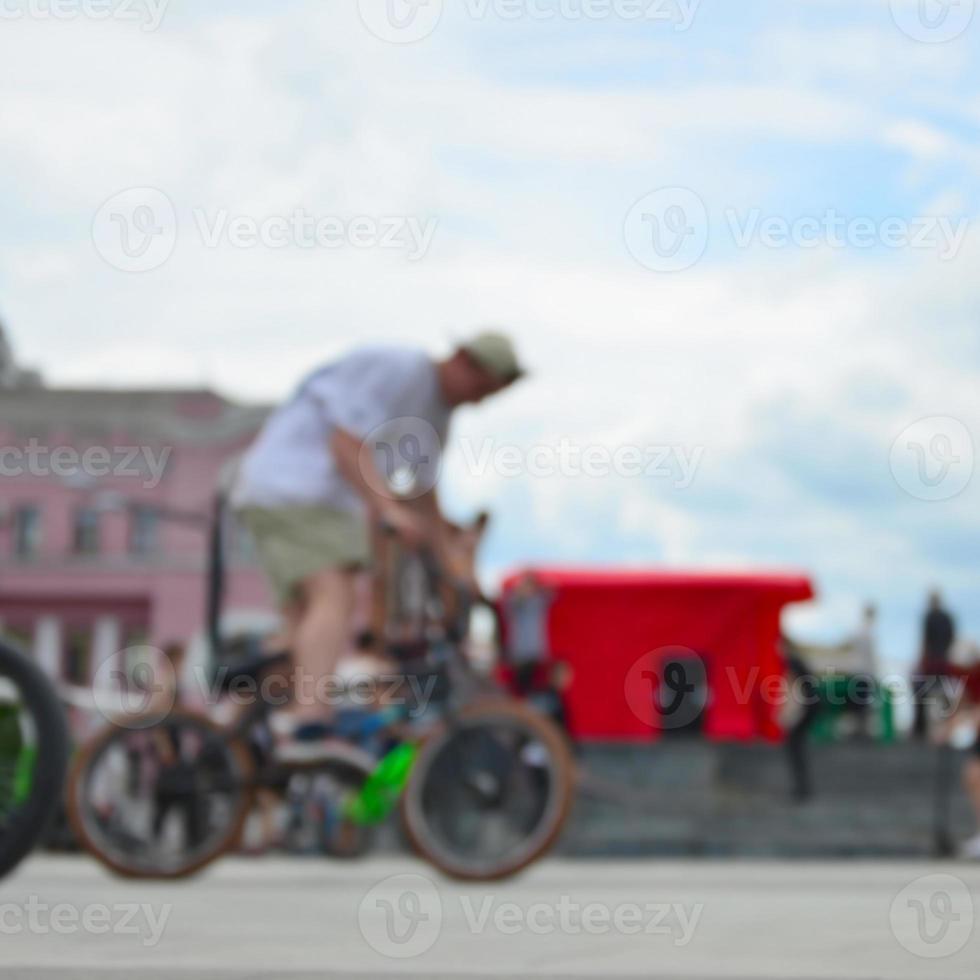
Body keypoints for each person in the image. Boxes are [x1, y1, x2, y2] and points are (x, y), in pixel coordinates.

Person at [232, 332, 524, 747]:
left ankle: (265, 725)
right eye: (480, 388)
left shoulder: (435, 416)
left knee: (310, 618)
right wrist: (388, 509)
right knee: (334, 595)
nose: (478, 401)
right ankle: (308, 718)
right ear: (461, 361)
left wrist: (454, 569)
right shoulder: (399, 368)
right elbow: (345, 443)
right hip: (292, 489)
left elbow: (424, 496)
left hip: (318, 502)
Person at [502, 571, 555, 697]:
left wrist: (538, 581)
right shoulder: (513, 600)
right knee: (519, 688)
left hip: (536, 652)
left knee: (535, 687)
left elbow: (552, 592)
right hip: (519, 653)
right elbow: (509, 604)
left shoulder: (538, 601)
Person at [914, 590, 956, 739]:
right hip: (944, 662)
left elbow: (925, 641)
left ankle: (922, 729)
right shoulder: (947, 618)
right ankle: (946, 728)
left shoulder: (930, 616)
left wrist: (921, 661)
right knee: (944, 695)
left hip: (932, 662)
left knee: (923, 693)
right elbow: (952, 639)